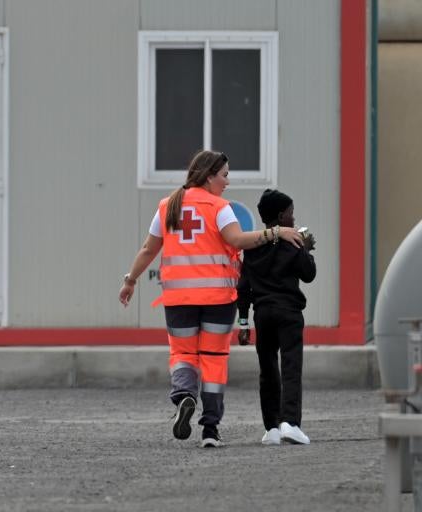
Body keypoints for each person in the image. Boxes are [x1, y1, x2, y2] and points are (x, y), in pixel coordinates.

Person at [118, 150, 303, 448]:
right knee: (214, 361)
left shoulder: (168, 207)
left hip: (179, 299)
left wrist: (130, 281)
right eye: (225, 175)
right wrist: (276, 232)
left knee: (182, 355)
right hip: (218, 298)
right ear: (209, 177)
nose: (228, 182)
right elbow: (238, 240)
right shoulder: (220, 208)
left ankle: (185, 395)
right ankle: (210, 430)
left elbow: (148, 250)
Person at [236, 189, 316, 445]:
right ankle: (290, 423)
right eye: (291, 214)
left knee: (268, 370)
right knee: (291, 367)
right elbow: (309, 274)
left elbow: (243, 288)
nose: (294, 219)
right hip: (289, 313)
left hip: (262, 315)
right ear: (282, 216)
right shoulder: (292, 242)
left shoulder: (252, 247)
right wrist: (306, 249)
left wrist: (244, 322)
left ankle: (271, 428)